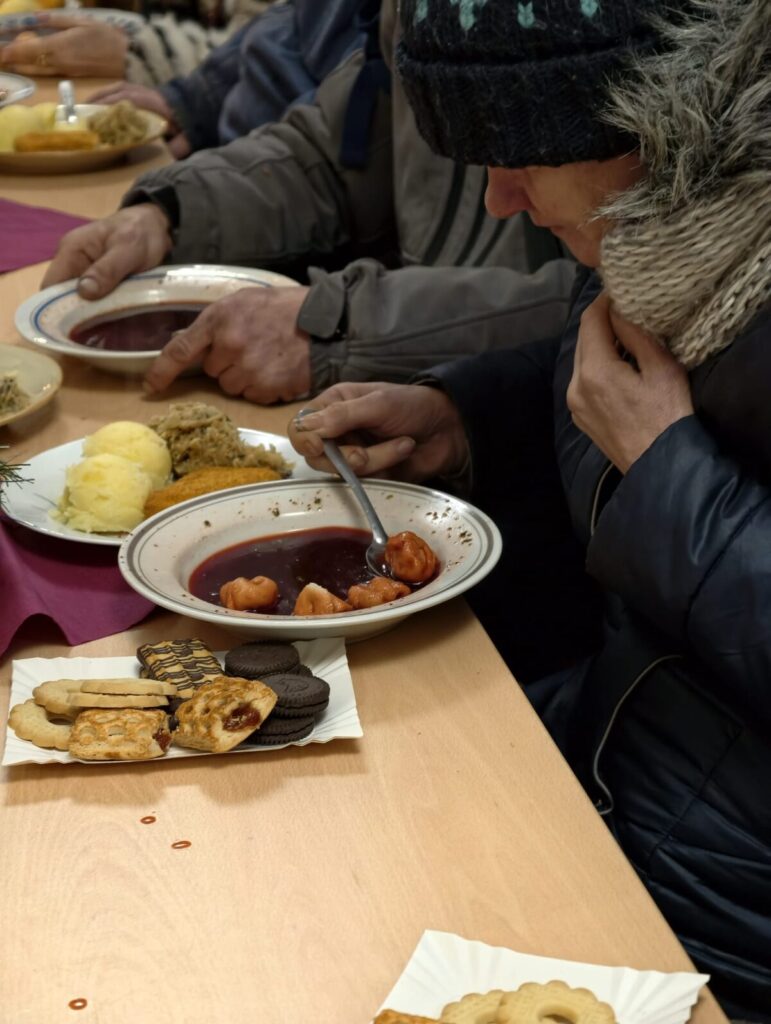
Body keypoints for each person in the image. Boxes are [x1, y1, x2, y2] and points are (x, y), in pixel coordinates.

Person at [287, 0, 771, 1018]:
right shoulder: (677, 245)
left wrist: (664, 468)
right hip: (600, 765)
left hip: (721, 914)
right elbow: (600, 364)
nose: (501, 198)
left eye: (526, 155)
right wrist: (466, 416)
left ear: (655, 125)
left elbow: (679, 436)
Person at [41, 0, 573, 406]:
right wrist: (171, 213)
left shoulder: (614, 29)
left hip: (539, 453)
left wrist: (339, 328)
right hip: (439, 407)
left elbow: (605, 300)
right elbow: (339, 149)